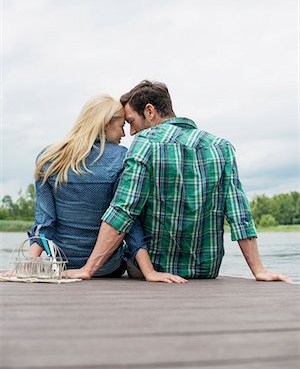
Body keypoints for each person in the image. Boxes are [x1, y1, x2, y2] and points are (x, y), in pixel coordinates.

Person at [65, 82, 288, 282]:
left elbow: (123, 210)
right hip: (206, 271)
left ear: (150, 111)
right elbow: (239, 214)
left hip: (152, 270)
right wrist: (259, 270)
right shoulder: (221, 147)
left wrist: (89, 269)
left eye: (132, 122)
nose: (131, 131)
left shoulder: (145, 143)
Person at [28, 94, 187, 283]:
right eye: (121, 126)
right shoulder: (120, 157)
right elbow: (127, 219)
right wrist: (149, 271)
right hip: (106, 268)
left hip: (62, 264)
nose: (124, 133)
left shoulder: (48, 158)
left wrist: (28, 267)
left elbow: (44, 222)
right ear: (105, 125)